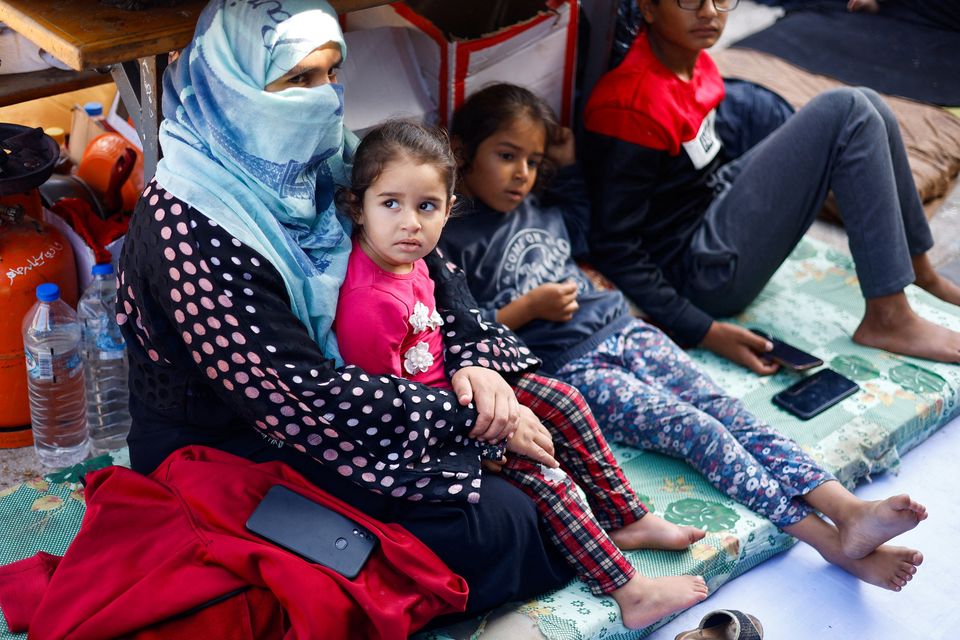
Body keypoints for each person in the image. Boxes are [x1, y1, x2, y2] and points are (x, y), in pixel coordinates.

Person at [118, 0, 583, 624]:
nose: (326, 100)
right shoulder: (188, 223)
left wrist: (476, 366)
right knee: (496, 524)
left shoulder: (329, 159)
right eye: (298, 79)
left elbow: (437, 272)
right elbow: (296, 395)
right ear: (233, 84)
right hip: (235, 442)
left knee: (552, 431)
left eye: (332, 73)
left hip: (370, 392)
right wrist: (465, 417)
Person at [440, 82, 927, 592]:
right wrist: (525, 309)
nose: (522, 173)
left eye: (533, 160)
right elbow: (464, 331)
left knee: (730, 411)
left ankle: (846, 509)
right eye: (506, 155)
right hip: (573, 367)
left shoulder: (545, 206)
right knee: (700, 431)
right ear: (463, 151)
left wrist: (566, 153)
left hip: (626, 329)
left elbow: (588, 207)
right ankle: (830, 544)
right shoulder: (453, 237)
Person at [333, 119, 709, 630]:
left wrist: (490, 386)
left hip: (457, 395)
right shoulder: (369, 301)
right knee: (544, 477)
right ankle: (628, 589)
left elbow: (445, 336)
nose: (410, 224)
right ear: (359, 207)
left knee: (564, 400)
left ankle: (627, 517)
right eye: (390, 204)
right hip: (421, 437)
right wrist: (490, 436)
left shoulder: (414, 261)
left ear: (448, 209)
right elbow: (389, 410)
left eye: (427, 207)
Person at [581, 0, 960, 374]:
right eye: (690, 1)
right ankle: (888, 317)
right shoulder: (631, 106)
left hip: (711, 204)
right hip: (701, 272)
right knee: (848, 112)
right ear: (647, 9)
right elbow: (616, 246)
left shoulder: (692, 62)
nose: (710, 12)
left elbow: (698, 170)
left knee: (869, 104)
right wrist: (706, 332)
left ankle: (919, 271)